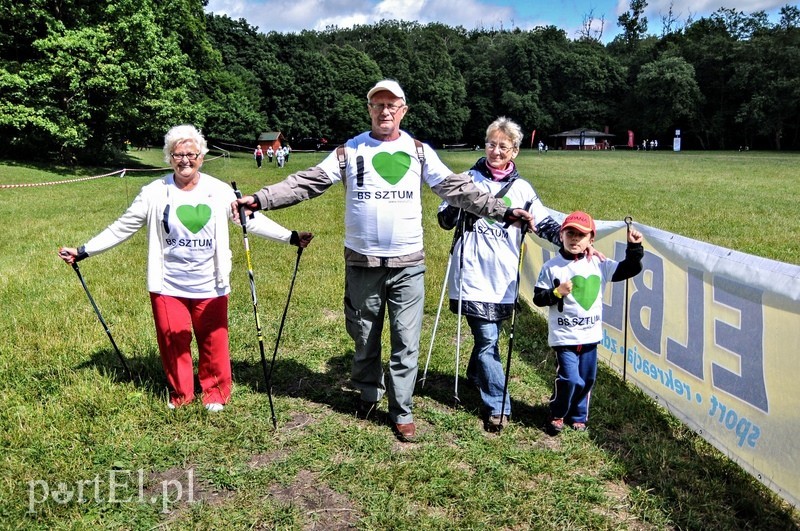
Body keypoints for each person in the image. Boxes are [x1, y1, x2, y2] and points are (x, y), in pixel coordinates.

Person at [232, 79, 532, 442]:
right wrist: (261, 199)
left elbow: (458, 189)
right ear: (370, 109)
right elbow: (306, 182)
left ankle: (401, 409)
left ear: (403, 110)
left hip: (408, 264)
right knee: (364, 334)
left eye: (393, 105)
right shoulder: (349, 151)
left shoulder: (420, 151)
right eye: (379, 105)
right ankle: (368, 391)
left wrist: (502, 211)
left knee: (406, 340)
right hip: (362, 263)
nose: (385, 111)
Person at [58, 124, 313, 412]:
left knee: (214, 340)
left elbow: (248, 220)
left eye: (191, 154)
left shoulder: (218, 191)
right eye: (178, 154)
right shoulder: (154, 192)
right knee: (173, 340)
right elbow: (122, 227)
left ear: (201, 156)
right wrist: (83, 251)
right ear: (169, 157)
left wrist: (290, 236)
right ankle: (181, 393)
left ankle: (215, 391)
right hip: (168, 285)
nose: (185, 160)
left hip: (210, 283)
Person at [437, 117, 564, 432]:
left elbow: (545, 224)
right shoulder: (466, 178)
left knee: (487, 337)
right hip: (471, 272)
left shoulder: (522, 189)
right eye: (491, 144)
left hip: (503, 277)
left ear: (515, 152)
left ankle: (476, 374)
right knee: (487, 338)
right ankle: (499, 406)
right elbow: (444, 219)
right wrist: (460, 201)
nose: (495, 151)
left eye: (503, 146)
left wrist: (574, 244)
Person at [533, 211, 643, 434]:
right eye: (570, 233)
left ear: (591, 240)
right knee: (570, 379)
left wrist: (634, 248)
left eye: (581, 235)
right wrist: (556, 292)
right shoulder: (551, 267)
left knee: (587, 379)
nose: (575, 239)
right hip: (564, 337)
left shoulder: (598, 264)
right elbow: (538, 298)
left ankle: (578, 416)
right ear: (561, 235)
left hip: (590, 336)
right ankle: (557, 412)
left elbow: (630, 269)